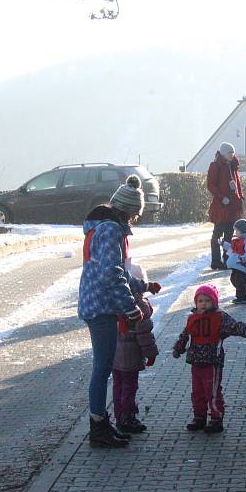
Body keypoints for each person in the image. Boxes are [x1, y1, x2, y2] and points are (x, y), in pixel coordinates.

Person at [78, 175, 162, 448]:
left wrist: (143, 285)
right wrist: (131, 307)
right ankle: (98, 427)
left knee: (103, 369)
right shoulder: (111, 231)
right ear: (128, 212)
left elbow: (120, 273)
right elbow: (112, 275)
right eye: (136, 215)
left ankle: (101, 423)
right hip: (101, 307)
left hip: (97, 304)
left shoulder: (101, 228)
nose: (136, 220)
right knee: (102, 369)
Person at [172, 284, 246, 433]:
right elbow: (185, 335)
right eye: (200, 301)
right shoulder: (193, 318)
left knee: (213, 391)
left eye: (207, 301)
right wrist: (178, 348)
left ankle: (216, 419)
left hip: (212, 362)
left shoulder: (219, 317)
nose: (203, 304)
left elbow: (234, 326)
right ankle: (199, 417)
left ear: (214, 302)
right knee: (197, 392)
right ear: (196, 303)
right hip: (196, 362)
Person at [112, 263, 159, 434]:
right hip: (131, 356)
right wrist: (151, 354)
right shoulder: (140, 305)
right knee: (129, 387)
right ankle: (128, 418)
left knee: (118, 386)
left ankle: (119, 416)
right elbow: (144, 334)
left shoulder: (115, 302)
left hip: (114, 355)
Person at [207, 142, 244, 270]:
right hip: (221, 207)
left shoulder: (233, 166)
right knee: (217, 233)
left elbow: (237, 183)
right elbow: (211, 185)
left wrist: (240, 197)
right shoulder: (215, 166)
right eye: (230, 153)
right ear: (223, 153)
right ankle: (216, 260)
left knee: (229, 233)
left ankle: (227, 259)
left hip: (232, 206)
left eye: (233, 153)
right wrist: (222, 198)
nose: (232, 155)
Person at [222, 219, 246, 304]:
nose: (235, 233)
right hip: (237, 265)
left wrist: (244, 258)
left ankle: (242, 297)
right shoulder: (239, 239)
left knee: (239, 280)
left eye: (237, 230)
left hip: (244, 266)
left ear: (242, 230)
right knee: (233, 279)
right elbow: (233, 249)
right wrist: (223, 244)